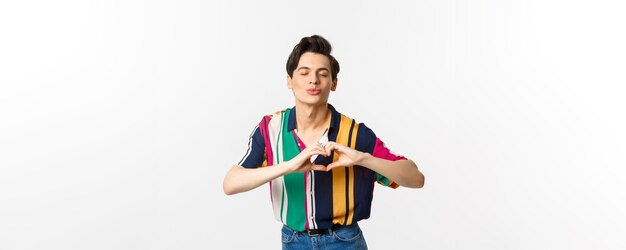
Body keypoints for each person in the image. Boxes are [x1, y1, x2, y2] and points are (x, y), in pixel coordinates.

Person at [223, 35, 425, 250]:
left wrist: (364, 159)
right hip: (293, 241)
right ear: (289, 80)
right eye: (304, 73)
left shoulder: (356, 134)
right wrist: (288, 166)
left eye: (323, 74)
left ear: (334, 83)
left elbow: (415, 178)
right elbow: (231, 183)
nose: (313, 80)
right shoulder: (269, 129)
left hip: (345, 241)